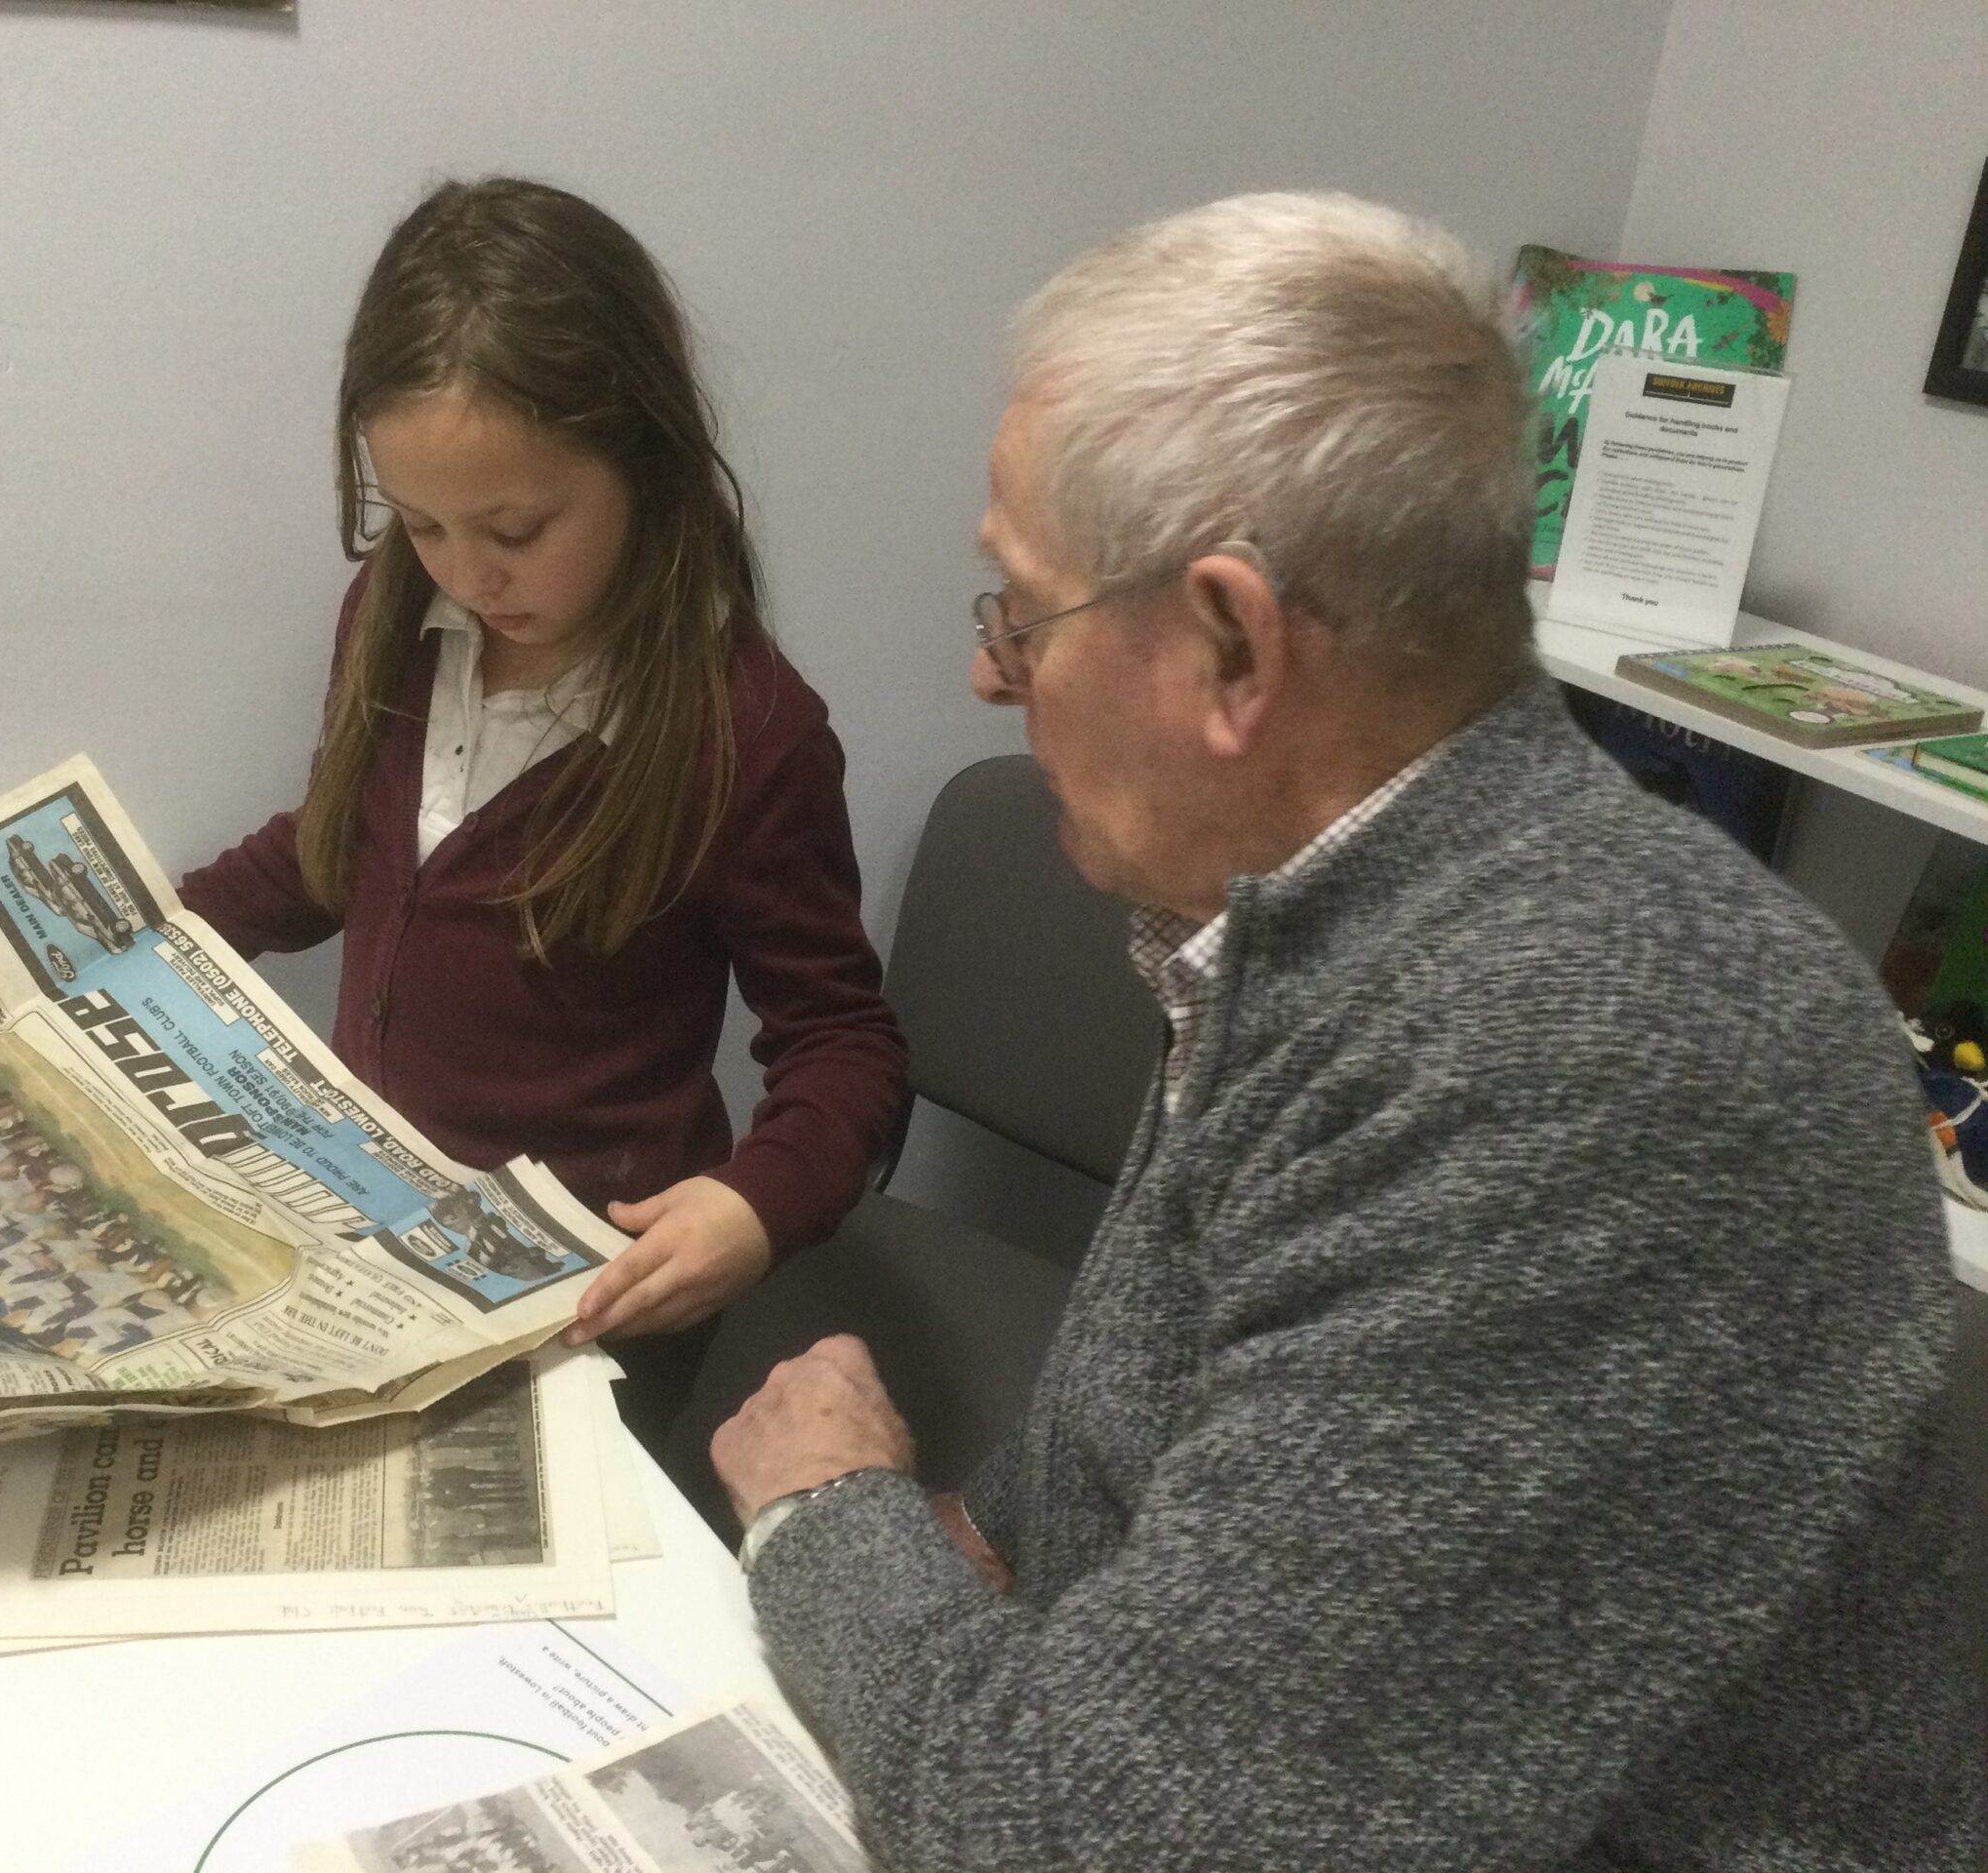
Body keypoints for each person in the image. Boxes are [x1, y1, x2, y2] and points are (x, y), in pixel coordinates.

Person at [711, 191, 1986, 1867]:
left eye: (1022, 610)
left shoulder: (1584, 1059)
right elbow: (1157, 1399)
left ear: (1233, 643)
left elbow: (1084, 1841)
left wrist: (830, 1517)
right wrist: (978, 1544)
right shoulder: (1343, 905)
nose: (993, 673)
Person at [180, 178, 906, 1445]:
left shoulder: (747, 734)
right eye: (420, 524)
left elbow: (847, 1042)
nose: (467, 570)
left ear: (642, 459)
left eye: (515, 526)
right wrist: (151, 932)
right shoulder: (398, 618)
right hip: (381, 1245)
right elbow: (339, 848)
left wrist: (756, 1205)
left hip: (585, 1300)